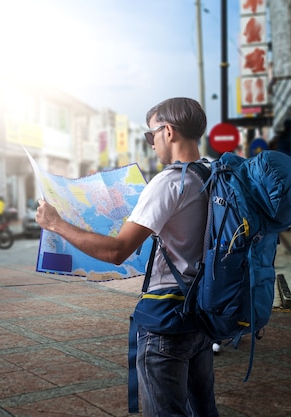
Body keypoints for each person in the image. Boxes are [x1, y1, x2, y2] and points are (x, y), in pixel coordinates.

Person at [36, 97, 219, 416]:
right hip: (201, 315)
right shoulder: (211, 175)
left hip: (166, 323)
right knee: (203, 410)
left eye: (152, 135)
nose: (151, 144)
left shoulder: (169, 182)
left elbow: (116, 251)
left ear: (169, 132)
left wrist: (56, 224)